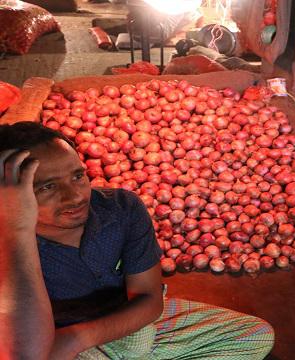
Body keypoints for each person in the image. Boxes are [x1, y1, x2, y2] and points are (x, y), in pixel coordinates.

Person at [0, 122, 274, 359]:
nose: (75, 196)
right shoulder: (7, 240)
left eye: (78, 176)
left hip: (122, 325)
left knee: (256, 335)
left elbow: (149, 299)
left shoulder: (120, 208)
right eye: (47, 186)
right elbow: (26, 354)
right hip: (51, 345)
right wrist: (19, 230)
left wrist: (76, 339)